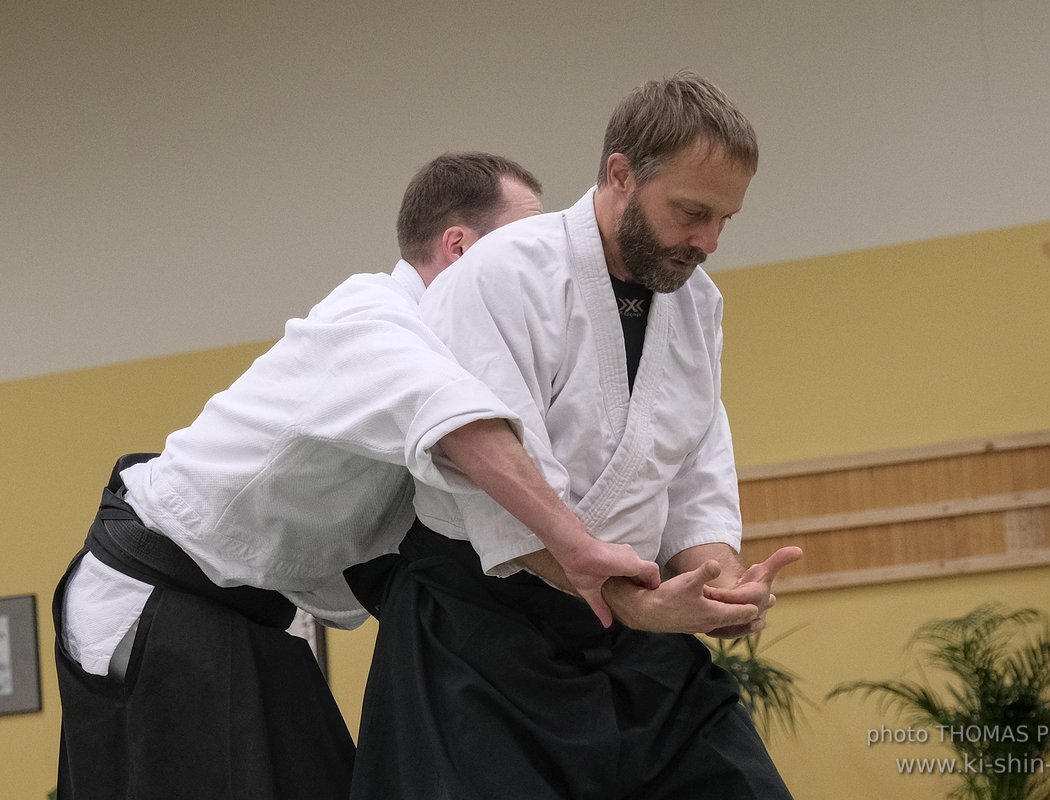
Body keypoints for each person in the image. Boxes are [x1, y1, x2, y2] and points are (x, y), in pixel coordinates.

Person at [52, 152, 660, 800]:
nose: (544, 275)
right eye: (524, 248)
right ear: (459, 246)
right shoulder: (372, 317)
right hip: (158, 590)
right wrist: (581, 549)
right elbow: (458, 421)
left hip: (241, 610)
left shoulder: (464, 357)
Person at [352, 73, 801, 799]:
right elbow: (496, 477)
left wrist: (716, 582)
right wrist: (636, 601)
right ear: (620, 175)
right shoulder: (504, 273)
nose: (709, 241)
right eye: (692, 211)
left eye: (725, 220)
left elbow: (694, 467)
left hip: (632, 623)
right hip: (485, 628)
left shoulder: (697, 305)